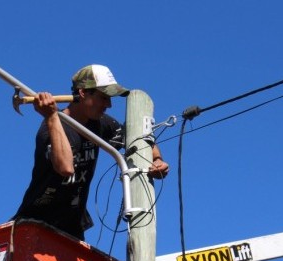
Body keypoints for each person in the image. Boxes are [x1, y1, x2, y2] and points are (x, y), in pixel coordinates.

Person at [13, 64, 170, 240]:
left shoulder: (101, 123)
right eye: (104, 98)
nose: (109, 105)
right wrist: (51, 117)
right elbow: (66, 168)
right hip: (36, 223)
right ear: (82, 93)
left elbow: (136, 138)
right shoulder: (51, 128)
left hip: (71, 226)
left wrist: (156, 159)